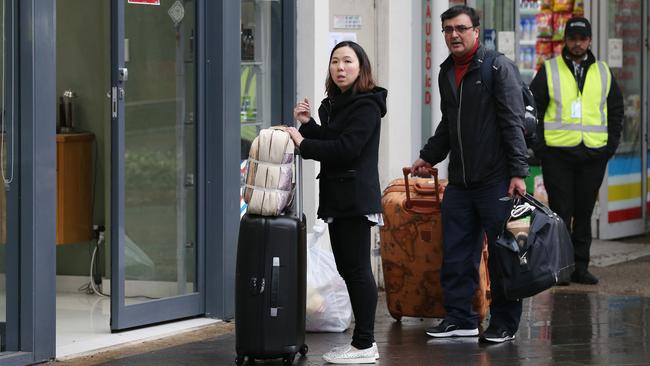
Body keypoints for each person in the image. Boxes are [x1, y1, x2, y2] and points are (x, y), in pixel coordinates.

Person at [410, 5, 529, 344]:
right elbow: (449, 124)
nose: (453, 35)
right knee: (457, 254)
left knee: (505, 255)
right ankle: (461, 319)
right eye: (448, 29)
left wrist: (519, 172)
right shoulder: (448, 71)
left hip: (497, 181)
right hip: (461, 182)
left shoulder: (497, 68)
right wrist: (428, 157)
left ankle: (505, 322)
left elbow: (512, 122)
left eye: (460, 28)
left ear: (476, 31)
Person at [286, 41, 387, 364]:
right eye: (335, 62)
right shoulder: (337, 104)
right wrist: (308, 124)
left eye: (347, 61)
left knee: (357, 270)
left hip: (355, 199)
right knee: (348, 268)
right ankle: (361, 343)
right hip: (339, 198)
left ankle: (365, 344)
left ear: (361, 68)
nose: (340, 67)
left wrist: (303, 143)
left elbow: (346, 149)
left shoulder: (367, 105)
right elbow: (332, 139)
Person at [529, 17, 623, 285]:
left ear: (590, 40)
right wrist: (540, 148)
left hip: (593, 154)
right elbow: (532, 110)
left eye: (582, 39)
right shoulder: (550, 70)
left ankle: (580, 267)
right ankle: (561, 268)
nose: (578, 43)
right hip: (558, 154)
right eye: (573, 39)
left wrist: (610, 146)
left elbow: (616, 110)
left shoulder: (603, 71)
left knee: (583, 211)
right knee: (560, 212)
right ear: (565, 41)